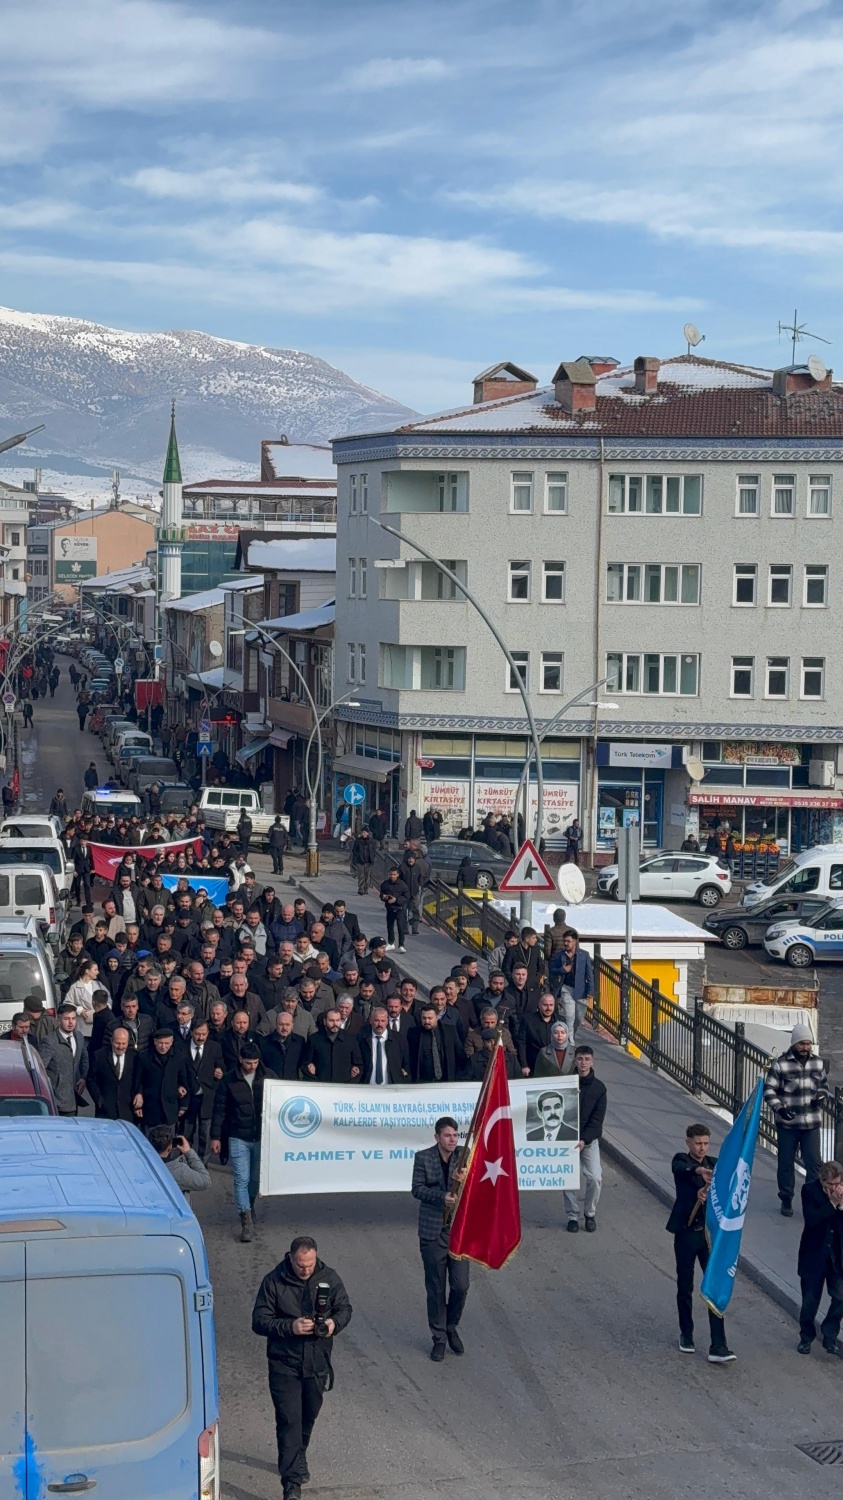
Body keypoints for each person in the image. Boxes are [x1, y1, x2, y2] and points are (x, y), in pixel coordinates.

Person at [252, 1234, 353, 1500]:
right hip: (284, 1364)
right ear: (291, 1258)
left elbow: (344, 1309)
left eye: (309, 1265)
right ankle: (291, 1484)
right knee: (289, 1421)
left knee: (307, 1417)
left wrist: (333, 1324)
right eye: (300, 1266)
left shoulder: (329, 1278)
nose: (305, 1270)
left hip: (317, 1364)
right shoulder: (274, 1280)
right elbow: (259, 1320)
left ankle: (299, 1454)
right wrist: (290, 1327)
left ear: (316, 1257)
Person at [666, 1123, 736, 1362]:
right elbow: (683, 1168)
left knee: (714, 1285)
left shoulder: (716, 1165)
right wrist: (699, 1172)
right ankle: (687, 1334)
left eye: (706, 1143)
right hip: (686, 1233)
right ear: (688, 1142)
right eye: (698, 1143)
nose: (702, 1147)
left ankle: (719, 1344)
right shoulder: (681, 1160)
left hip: (708, 1236)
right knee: (685, 1285)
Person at [411, 1116, 469, 1361]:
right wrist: (441, 1196)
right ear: (437, 1137)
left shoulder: (464, 1158)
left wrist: (464, 1181)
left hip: (458, 1232)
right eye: (447, 1135)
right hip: (433, 1231)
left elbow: (475, 1191)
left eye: (455, 1135)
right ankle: (439, 1338)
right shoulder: (423, 1158)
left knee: (460, 1285)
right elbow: (417, 1189)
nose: (452, 1140)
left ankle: (451, 1325)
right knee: (435, 1288)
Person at [210, 1042, 277, 1242]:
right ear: (240, 1060)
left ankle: (249, 1204)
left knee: (255, 1179)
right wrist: (215, 1136)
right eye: (248, 1063)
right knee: (241, 1179)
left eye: (255, 1062)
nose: (252, 1066)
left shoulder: (269, 1077)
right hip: (237, 1135)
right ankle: (245, 1220)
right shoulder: (229, 1080)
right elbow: (219, 1109)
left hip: (261, 1137)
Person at [763, 1023, 827, 1216]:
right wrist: (780, 1109)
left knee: (814, 1163)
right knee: (786, 1162)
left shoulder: (818, 1063)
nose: (805, 1047)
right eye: (802, 1044)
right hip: (788, 1124)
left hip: (811, 1123)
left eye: (808, 1044)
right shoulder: (781, 1064)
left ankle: (811, 1200)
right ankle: (786, 1199)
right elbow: (769, 1089)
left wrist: (821, 1097)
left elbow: (823, 1086)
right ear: (794, 1043)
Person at [797, 1160, 843, 1356]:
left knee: (841, 1296)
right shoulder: (809, 1191)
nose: (833, 1188)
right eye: (829, 1184)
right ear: (822, 1181)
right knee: (810, 1300)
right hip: (814, 1255)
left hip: (837, 1257)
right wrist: (832, 1204)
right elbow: (812, 1219)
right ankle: (806, 1337)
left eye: (837, 1183)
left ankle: (830, 1335)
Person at [562, 1044, 607, 1233]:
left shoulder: (599, 1088)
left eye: (587, 1059)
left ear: (592, 1061)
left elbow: (597, 1120)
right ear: (575, 1060)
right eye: (580, 1059)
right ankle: (572, 1215)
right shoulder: (566, 1082)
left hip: (588, 1140)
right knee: (568, 1180)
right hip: (567, 1138)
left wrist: (584, 1140)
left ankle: (589, 1212)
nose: (583, 1063)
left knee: (595, 1178)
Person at [40, 1004, 89, 1116]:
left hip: (73, 1098)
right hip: (55, 1101)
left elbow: (84, 1058)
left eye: (73, 1018)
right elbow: (41, 1069)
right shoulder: (49, 1042)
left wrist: (83, 1077)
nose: (71, 1022)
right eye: (66, 1019)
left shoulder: (79, 1037)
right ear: (58, 1020)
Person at [548, 928, 593, 1038]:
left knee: (578, 1018)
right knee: (569, 1016)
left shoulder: (584, 955)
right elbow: (552, 970)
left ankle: (570, 1035)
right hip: (566, 989)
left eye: (568, 941)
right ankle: (570, 1042)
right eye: (564, 941)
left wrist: (591, 990)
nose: (565, 944)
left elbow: (589, 974)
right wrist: (562, 970)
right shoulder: (560, 955)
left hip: (581, 990)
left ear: (575, 941)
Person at [87, 1025, 137, 1120]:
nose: (120, 1047)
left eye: (124, 1043)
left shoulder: (134, 1057)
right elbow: (91, 1080)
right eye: (117, 1043)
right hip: (105, 1112)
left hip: (127, 1111)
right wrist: (99, 1100)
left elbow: (139, 1080)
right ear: (111, 1041)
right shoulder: (99, 1056)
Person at [148, 1124, 211, 1197]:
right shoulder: (178, 1170)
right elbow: (205, 1181)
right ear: (169, 1148)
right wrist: (189, 1152)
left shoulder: (140, 1163)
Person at [379, 867, 410, 952]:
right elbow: (381, 894)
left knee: (401, 926)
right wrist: (384, 897)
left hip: (400, 909)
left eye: (394, 874)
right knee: (390, 926)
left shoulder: (403, 885)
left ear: (398, 875)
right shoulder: (385, 884)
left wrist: (396, 899)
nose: (392, 876)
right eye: (390, 874)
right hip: (390, 908)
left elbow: (407, 897)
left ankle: (401, 945)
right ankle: (391, 943)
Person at [349, 827, 374, 894]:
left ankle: (366, 888)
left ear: (368, 833)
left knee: (367, 876)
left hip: (368, 861)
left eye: (365, 832)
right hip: (360, 861)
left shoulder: (371, 841)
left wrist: (372, 859)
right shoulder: (358, 841)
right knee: (361, 876)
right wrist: (355, 860)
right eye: (362, 832)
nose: (363, 834)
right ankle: (361, 889)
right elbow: (355, 851)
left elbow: (372, 851)